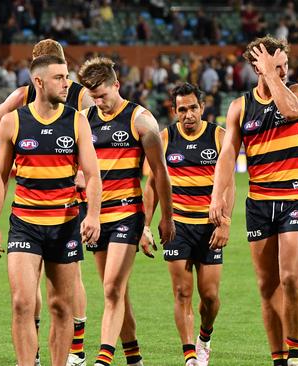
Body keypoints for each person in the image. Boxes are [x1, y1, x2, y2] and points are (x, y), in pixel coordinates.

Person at [0, 55, 101, 366]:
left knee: (61, 306)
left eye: (67, 76)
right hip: (25, 224)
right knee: (23, 303)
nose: (67, 83)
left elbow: (92, 173)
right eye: (60, 77)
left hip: (64, 225)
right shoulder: (14, 121)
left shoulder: (76, 120)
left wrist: (92, 214)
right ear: (39, 82)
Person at [209, 35, 298, 366]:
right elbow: (227, 156)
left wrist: (272, 75)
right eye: (275, 65)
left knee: (290, 278)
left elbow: (289, 110)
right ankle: (279, 359)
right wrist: (217, 197)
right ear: (255, 66)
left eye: (284, 65)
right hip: (259, 203)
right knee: (267, 286)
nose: (283, 71)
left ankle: (296, 354)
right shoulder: (240, 107)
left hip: (297, 196)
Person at [77, 56, 175, 366]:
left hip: (126, 213)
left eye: (103, 95)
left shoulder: (141, 120)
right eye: (93, 97)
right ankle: (134, 357)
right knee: (117, 293)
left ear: (116, 85)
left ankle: (103, 358)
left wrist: (164, 218)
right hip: (94, 216)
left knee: (111, 288)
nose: (99, 103)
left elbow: (159, 174)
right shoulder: (83, 119)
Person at [141, 83, 233, 366]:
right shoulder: (164, 138)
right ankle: (190, 356)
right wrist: (145, 226)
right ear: (175, 110)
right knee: (182, 293)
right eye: (182, 109)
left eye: (193, 108)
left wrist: (224, 222)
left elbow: (229, 185)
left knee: (210, 296)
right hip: (177, 227)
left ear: (202, 108)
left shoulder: (219, 137)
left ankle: (204, 338)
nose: (189, 114)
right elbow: (153, 185)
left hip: (209, 227)